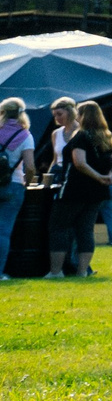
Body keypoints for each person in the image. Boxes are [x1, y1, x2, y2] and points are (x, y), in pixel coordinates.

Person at [49, 100, 112, 277]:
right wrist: (108, 175)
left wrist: (98, 176)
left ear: (82, 116)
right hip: (97, 192)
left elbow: (79, 163)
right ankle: (81, 271)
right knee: (86, 230)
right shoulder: (105, 136)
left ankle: (56, 271)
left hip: (75, 188)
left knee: (60, 227)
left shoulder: (80, 136)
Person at [0, 99, 31, 279]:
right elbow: (31, 165)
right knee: (3, 231)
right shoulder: (25, 135)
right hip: (14, 184)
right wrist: (27, 181)